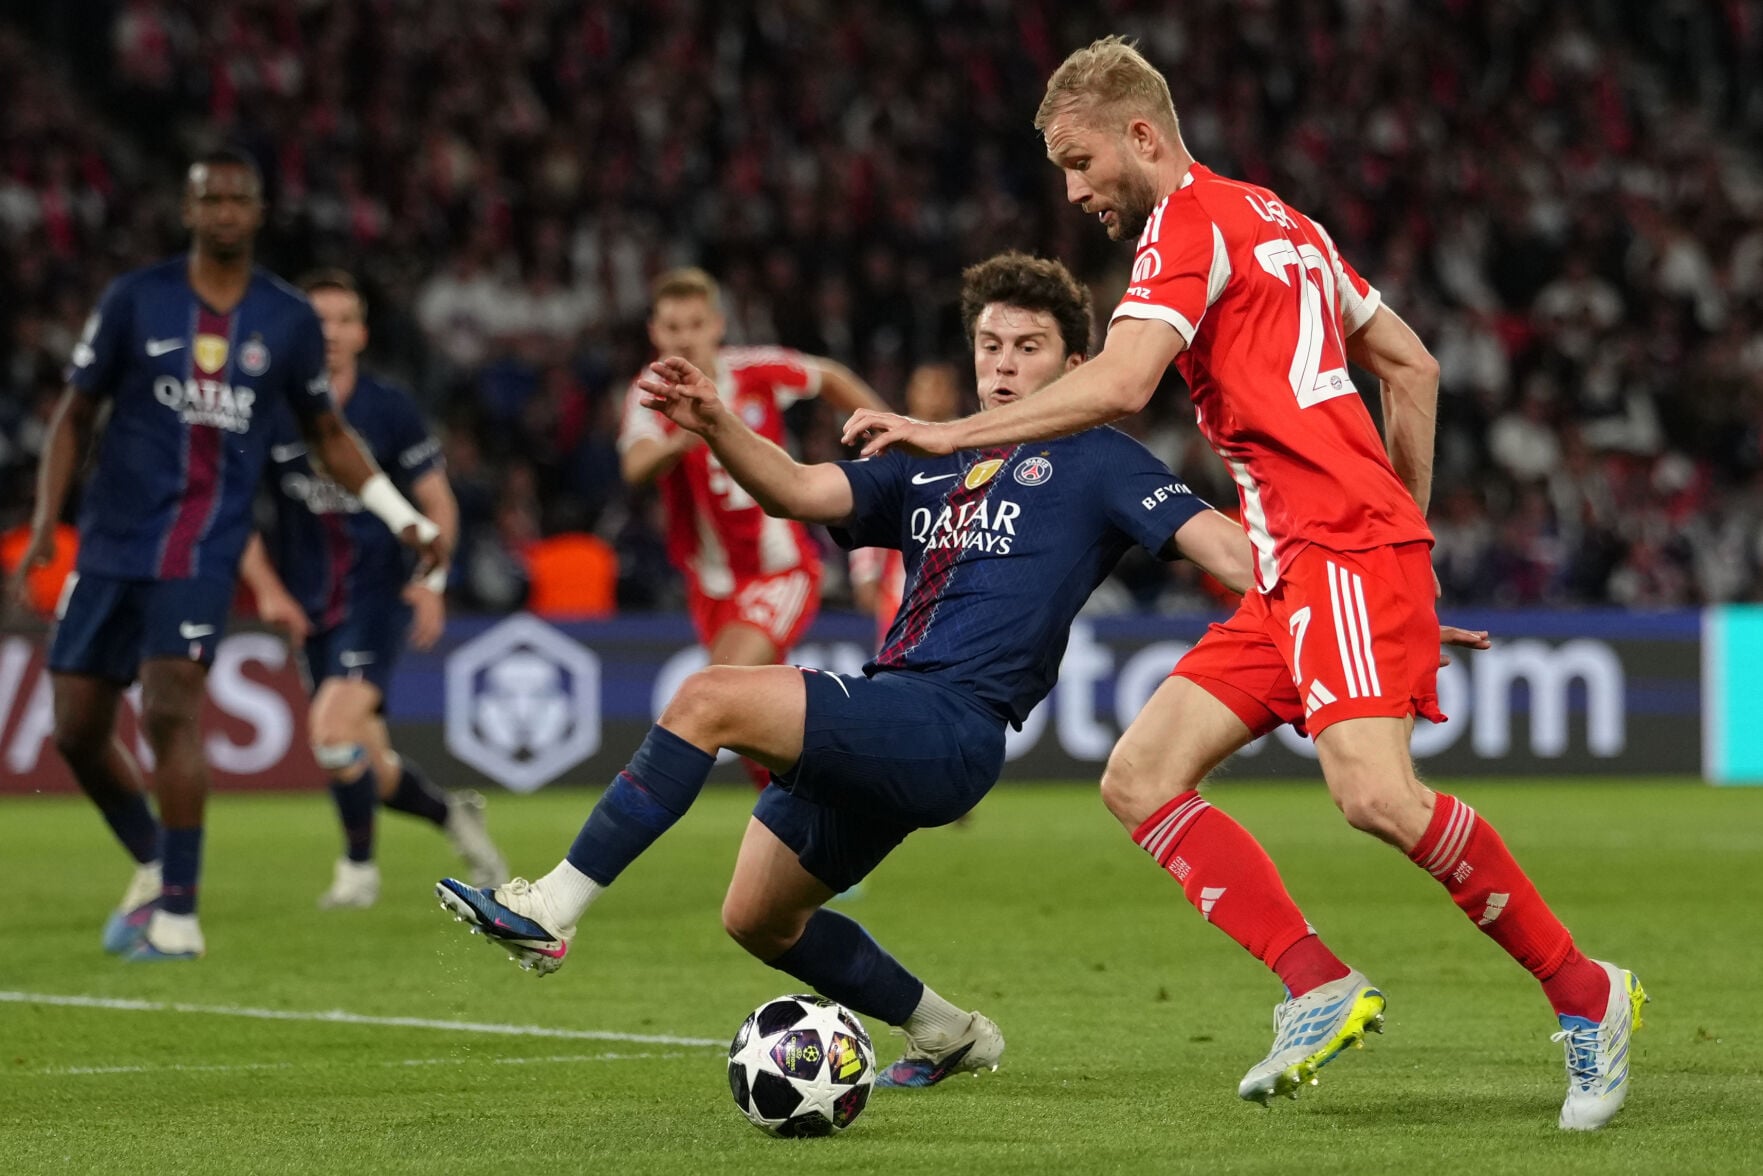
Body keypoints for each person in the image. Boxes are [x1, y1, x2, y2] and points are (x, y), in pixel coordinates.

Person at [435, 253, 1486, 1088]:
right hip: (894, 710)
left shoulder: (1101, 458)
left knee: (706, 698)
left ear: (1073, 363)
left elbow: (1229, 551)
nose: (1002, 363)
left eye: (1028, 347)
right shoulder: (933, 455)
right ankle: (950, 1032)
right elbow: (800, 492)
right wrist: (715, 425)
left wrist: (1368, 603)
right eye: (989, 344)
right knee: (756, 918)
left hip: (952, 725)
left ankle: (551, 908)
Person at [840, 38, 1639, 1130]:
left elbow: (1122, 383)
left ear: (1140, 135)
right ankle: (1316, 984)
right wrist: (1400, 545)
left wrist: (944, 432)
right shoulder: (1279, 218)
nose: (1072, 193)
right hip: (1299, 565)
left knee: (1373, 796)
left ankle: (1587, 994)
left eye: (1079, 163)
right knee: (1140, 775)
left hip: (1334, 548)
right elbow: (1411, 366)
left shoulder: (1186, 226)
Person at [7, 150, 444, 961]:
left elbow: (326, 434)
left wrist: (400, 516)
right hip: (111, 543)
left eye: (239, 198)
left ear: (259, 211)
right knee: (75, 728)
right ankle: (152, 862)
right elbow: (74, 412)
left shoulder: (286, 319)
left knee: (169, 709)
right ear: (189, 209)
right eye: (211, 198)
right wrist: (44, 521)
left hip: (203, 548)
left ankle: (179, 917)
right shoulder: (136, 299)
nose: (225, 212)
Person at [237, 269, 507, 910]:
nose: (330, 333)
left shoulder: (390, 408)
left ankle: (357, 871)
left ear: (362, 333)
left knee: (331, 730)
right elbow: (234, 510)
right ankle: (450, 813)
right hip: (311, 603)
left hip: (377, 597)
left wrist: (432, 582)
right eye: (317, 321)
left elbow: (438, 502)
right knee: (369, 763)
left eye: (343, 320)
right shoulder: (270, 411)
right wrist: (268, 590)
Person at [618, 268, 889, 787]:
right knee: (755, 736)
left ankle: (624, 815)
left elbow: (829, 376)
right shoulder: (649, 394)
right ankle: (835, 804)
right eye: (672, 327)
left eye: (695, 324)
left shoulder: (754, 371)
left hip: (780, 570)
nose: (684, 338)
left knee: (716, 691)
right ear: (654, 332)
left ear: (717, 325)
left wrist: (891, 431)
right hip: (712, 586)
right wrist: (682, 438)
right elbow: (635, 467)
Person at [848, 363, 962, 645]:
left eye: (941, 387)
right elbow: (866, 509)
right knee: (896, 660)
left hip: (961, 579)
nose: (934, 395)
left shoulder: (974, 444)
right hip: (902, 586)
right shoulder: (888, 447)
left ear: (954, 395)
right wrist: (865, 573)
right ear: (912, 393)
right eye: (926, 387)